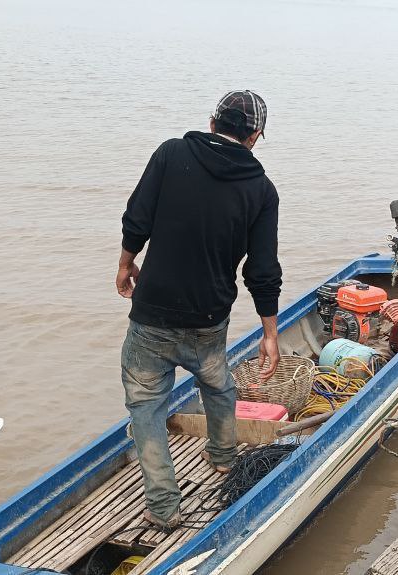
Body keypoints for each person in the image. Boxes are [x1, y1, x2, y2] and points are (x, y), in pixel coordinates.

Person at [115, 90, 282, 529]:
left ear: (212, 123)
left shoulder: (171, 154)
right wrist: (270, 332)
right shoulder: (261, 190)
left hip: (152, 311)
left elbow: (138, 217)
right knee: (217, 380)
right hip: (209, 315)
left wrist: (126, 264)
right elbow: (262, 270)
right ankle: (223, 456)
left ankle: (164, 508)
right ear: (255, 136)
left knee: (146, 407)